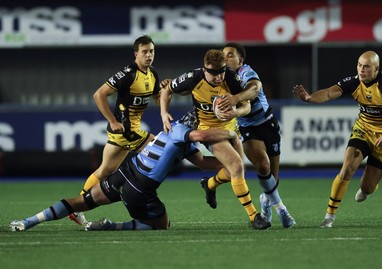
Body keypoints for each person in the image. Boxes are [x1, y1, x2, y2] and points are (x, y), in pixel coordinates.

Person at [10, 111, 270, 231]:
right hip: (140, 188)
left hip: (124, 173)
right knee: (162, 224)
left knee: (83, 201)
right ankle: (112, 227)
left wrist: (229, 162)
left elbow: (202, 161)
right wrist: (228, 133)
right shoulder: (181, 132)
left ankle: (29, 221)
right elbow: (201, 134)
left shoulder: (176, 137)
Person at [159, 49, 268, 228]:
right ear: (204, 69)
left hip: (231, 127)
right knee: (236, 165)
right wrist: (164, 113)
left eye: (221, 72)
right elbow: (167, 90)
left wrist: (236, 111)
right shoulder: (193, 77)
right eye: (214, 74)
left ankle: (209, 184)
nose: (218, 77)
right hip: (209, 130)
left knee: (236, 171)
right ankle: (254, 217)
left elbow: (247, 105)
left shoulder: (232, 78)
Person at [293, 51, 382, 228]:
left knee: (367, 187)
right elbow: (329, 93)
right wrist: (310, 98)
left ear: (376, 69)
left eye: (366, 66)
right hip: (363, 130)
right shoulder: (354, 81)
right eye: (359, 65)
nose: (361, 70)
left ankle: (368, 189)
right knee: (347, 168)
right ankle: (329, 216)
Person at [69, 35, 162, 225]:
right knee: (160, 148)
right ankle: (141, 196)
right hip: (125, 131)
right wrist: (112, 120)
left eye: (151, 51)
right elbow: (99, 94)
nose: (149, 55)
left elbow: (157, 99)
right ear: (136, 53)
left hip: (126, 133)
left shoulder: (152, 74)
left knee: (105, 170)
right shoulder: (127, 74)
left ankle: (76, 206)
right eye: (144, 52)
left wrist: (165, 90)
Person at [200, 42, 295, 228]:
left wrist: (235, 98)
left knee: (272, 178)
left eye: (230, 55)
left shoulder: (245, 72)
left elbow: (254, 89)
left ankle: (264, 202)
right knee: (262, 165)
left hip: (268, 124)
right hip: (247, 128)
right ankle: (282, 209)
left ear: (240, 60)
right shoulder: (220, 77)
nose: (225, 58)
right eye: (223, 55)